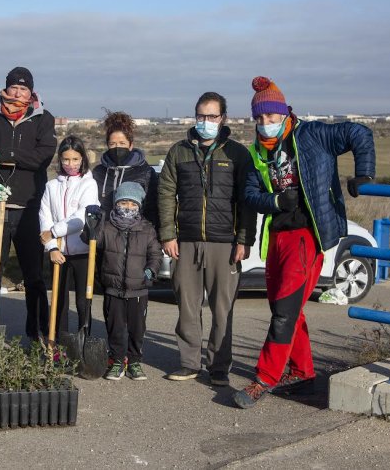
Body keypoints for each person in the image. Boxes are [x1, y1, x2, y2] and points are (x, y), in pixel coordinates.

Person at [234, 76, 375, 409]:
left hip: (307, 235)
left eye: (271, 116)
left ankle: (264, 378)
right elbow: (251, 194)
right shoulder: (257, 152)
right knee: (287, 309)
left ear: (285, 113)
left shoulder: (313, 135)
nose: (266, 123)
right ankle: (302, 372)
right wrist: (277, 202)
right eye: (260, 118)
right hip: (277, 237)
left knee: (284, 311)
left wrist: (364, 172)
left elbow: (359, 132)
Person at [158, 92, 256, 385]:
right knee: (187, 307)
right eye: (201, 116)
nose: (206, 122)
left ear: (223, 118)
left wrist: (243, 239)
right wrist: (167, 233)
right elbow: (165, 193)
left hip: (224, 243)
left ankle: (218, 368)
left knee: (222, 310)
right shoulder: (179, 151)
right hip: (186, 242)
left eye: (212, 116)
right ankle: (189, 363)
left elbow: (246, 199)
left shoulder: (237, 154)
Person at [0, 67, 57, 349]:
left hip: (30, 209)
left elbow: (42, 156)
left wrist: (7, 155)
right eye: (14, 88)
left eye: (24, 89)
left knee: (34, 276)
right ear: (6, 89)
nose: (18, 94)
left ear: (31, 93)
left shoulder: (43, 119)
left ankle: (38, 334)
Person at [84, 182, 161, 381]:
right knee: (115, 327)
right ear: (116, 203)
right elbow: (91, 240)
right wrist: (90, 223)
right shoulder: (107, 227)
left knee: (137, 328)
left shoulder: (146, 229)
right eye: (123, 202)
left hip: (138, 289)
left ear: (139, 206)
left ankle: (134, 361)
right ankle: (117, 360)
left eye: (132, 203)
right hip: (113, 288)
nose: (127, 207)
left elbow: (155, 254)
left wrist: (150, 272)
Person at [39, 135, 99, 336]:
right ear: (60, 160)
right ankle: (59, 344)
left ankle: (84, 341)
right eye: (66, 159)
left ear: (82, 158)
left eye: (75, 159)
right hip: (59, 252)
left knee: (83, 301)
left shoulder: (88, 185)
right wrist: (52, 247)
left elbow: (82, 217)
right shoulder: (51, 186)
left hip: (83, 251)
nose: (70, 164)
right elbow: (44, 216)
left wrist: (54, 232)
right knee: (59, 301)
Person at [91, 111, 159, 227]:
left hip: (136, 234)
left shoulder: (145, 172)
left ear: (131, 145)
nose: (117, 148)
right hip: (105, 236)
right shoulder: (98, 172)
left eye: (122, 143)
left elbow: (153, 208)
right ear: (107, 145)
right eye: (112, 144)